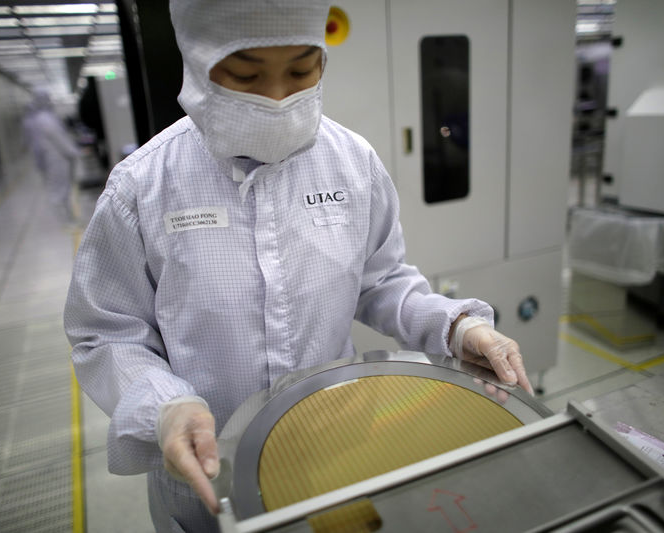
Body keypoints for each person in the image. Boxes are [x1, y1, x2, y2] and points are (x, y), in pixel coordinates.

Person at [64, 1, 533, 531]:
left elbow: (380, 282)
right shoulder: (142, 188)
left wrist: (455, 326)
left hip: (337, 445)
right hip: (209, 465)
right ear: (197, 63)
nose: (277, 97)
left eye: (300, 70)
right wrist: (165, 407)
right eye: (246, 74)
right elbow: (107, 334)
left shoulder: (353, 163)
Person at [23, 88, 80, 222]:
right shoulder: (44, 119)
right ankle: (65, 220)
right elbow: (58, 138)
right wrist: (72, 152)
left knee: (62, 187)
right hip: (57, 158)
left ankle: (68, 218)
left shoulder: (44, 117)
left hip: (56, 157)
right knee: (60, 189)